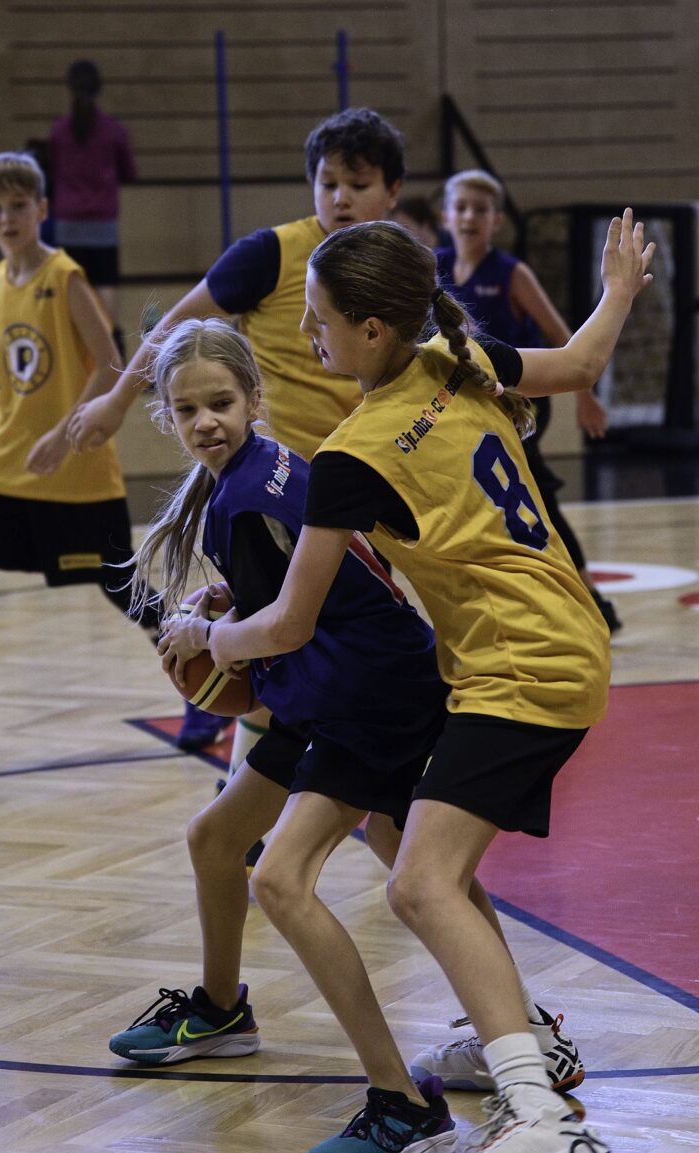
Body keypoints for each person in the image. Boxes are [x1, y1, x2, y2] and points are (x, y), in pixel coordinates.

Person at [197, 212, 654, 1152]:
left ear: (371, 329)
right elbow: (579, 364)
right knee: (407, 850)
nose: (306, 332)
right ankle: (524, 1053)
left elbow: (288, 624)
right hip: (557, 637)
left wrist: (210, 635)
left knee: (420, 883)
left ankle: (537, 1113)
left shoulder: (353, 452)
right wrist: (617, 291)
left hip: (518, 664)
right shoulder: (456, 356)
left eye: (319, 317)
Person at [107, 316, 459, 1149]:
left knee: (286, 878)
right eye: (187, 409)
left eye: (221, 403)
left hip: (368, 695)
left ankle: (404, 1101)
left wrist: (208, 634)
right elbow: (296, 590)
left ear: (254, 398)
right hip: (348, 685)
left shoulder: (243, 495)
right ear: (166, 416)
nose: (206, 422)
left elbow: (286, 627)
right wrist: (230, 604)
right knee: (216, 838)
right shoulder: (264, 469)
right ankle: (221, 1010)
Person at [68, 106, 405, 755]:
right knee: (282, 642)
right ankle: (237, 724)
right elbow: (175, 326)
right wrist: (116, 398)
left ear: (391, 192)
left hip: (366, 492)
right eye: (328, 182)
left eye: (358, 184)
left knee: (337, 652)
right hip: (280, 491)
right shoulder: (271, 254)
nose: (340, 197)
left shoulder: (397, 273)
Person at [0, 151, 160, 753]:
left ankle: (208, 684)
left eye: (18, 206)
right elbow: (15, 386)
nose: (7, 218)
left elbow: (109, 363)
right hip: (5, 465)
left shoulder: (65, 276)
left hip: (75, 464)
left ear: (42, 210)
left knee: (122, 585)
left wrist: (62, 434)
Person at [437, 168, 622, 633]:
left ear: (497, 220)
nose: (469, 217)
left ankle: (590, 597)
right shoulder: (434, 267)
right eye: (461, 207)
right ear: (445, 216)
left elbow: (563, 337)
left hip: (522, 396)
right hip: (467, 400)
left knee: (533, 492)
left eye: (480, 209)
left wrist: (586, 398)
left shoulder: (512, 273)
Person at [49, 59, 136, 355]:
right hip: (102, 222)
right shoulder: (113, 130)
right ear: (99, 89)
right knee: (105, 285)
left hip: (68, 223)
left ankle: (77, 350)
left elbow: (52, 171)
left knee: (72, 287)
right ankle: (111, 347)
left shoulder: (59, 131)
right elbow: (129, 172)